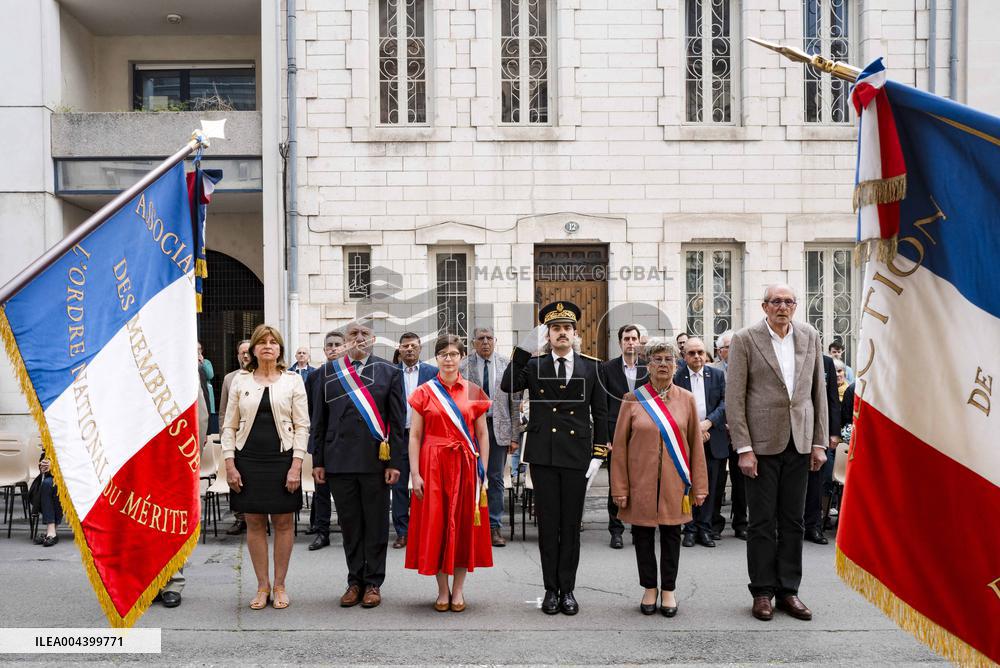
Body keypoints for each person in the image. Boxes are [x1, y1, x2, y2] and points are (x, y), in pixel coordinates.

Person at [726, 284, 828, 622]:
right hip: (761, 445)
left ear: (795, 306)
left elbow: (818, 392)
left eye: (788, 302)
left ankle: (789, 590)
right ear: (764, 306)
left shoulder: (809, 335)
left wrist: (819, 442)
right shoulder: (745, 338)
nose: (782, 307)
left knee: (794, 521)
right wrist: (744, 448)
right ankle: (762, 592)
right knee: (761, 522)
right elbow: (735, 397)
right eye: (776, 302)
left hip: (800, 441)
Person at [501, 301, 609, 616]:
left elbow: (600, 413)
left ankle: (569, 590)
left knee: (570, 527)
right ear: (547, 334)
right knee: (548, 527)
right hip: (544, 455)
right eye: (556, 329)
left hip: (576, 457)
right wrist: (522, 348)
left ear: (576, 333)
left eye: (567, 328)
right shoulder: (534, 365)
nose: (562, 333)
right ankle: (551, 590)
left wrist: (598, 453)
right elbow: (508, 385)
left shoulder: (592, 366)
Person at [309, 319, 405, 609]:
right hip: (338, 460)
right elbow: (319, 420)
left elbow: (397, 422)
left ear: (373, 340)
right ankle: (355, 581)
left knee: (375, 524)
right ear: (345, 339)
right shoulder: (326, 373)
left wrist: (395, 463)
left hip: (376, 460)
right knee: (349, 524)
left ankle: (373, 582)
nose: (359, 338)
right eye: (354, 334)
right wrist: (318, 461)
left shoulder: (389, 372)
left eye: (365, 334)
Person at [611, 339, 708, 616]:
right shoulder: (632, 400)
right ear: (648, 365)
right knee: (641, 536)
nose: (663, 364)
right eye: (657, 360)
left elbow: (695, 446)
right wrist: (619, 487)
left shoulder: (686, 400)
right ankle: (648, 588)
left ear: (676, 365)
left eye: (668, 359)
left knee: (671, 536)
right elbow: (619, 448)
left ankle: (668, 590)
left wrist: (699, 486)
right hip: (640, 483)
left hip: (674, 483)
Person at [222, 325, 310, 610]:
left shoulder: (293, 381)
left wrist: (296, 465)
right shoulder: (240, 381)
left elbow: (302, 426)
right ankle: (262, 586)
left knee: (283, 522)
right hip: (247, 459)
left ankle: (280, 585)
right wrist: (229, 464)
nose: (268, 346)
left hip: (282, 459)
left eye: (273, 342)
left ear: (280, 349)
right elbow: (229, 425)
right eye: (262, 342)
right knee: (255, 521)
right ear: (253, 350)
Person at [406, 335, 493, 611]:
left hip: (465, 466)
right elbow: (415, 436)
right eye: (443, 354)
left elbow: (482, 435)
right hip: (432, 466)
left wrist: (484, 473)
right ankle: (441, 590)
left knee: (461, 525)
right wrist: (415, 473)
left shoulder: (474, 392)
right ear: (437, 358)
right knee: (438, 527)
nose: (448, 358)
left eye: (454, 354)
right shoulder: (424, 392)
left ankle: (458, 590)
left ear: (461, 357)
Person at [460, 326, 521, 548]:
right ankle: (469, 526)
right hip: (469, 428)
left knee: (495, 478)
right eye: (480, 338)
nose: (485, 342)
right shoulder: (463, 366)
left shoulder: (507, 366)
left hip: (498, 428)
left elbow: (515, 403)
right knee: (468, 477)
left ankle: (494, 527)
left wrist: (514, 435)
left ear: (495, 340)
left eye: (489, 338)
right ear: (473, 342)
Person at [673, 337, 728, 549]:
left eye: (700, 352)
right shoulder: (677, 377)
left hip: (713, 437)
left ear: (706, 354)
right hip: (686, 439)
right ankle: (689, 528)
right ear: (684, 356)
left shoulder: (717, 375)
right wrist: (695, 428)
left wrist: (708, 423)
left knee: (711, 486)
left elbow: (724, 403)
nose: (697, 356)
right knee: (688, 484)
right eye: (692, 353)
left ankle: (705, 529)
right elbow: (674, 406)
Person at [599, 324, 649, 549]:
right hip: (615, 434)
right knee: (616, 483)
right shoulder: (607, 369)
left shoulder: (648, 369)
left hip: (642, 434)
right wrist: (605, 438)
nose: (630, 342)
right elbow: (601, 406)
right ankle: (616, 530)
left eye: (633, 338)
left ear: (639, 342)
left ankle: (640, 526)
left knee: (641, 482)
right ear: (620, 343)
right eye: (626, 338)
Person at [392, 332, 437, 549]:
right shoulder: (391, 373)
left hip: (425, 437)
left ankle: (425, 530)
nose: (409, 349)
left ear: (420, 348)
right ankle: (402, 531)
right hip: (399, 437)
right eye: (405, 346)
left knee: (425, 485)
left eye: (413, 345)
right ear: (399, 349)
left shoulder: (432, 373)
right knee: (399, 485)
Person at [305, 330, 346, 550]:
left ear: (345, 347)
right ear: (324, 350)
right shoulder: (314, 377)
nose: (333, 348)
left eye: (337, 344)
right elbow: (310, 412)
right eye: (329, 345)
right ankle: (322, 531)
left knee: (346, 491)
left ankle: (348, 529)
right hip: (322, 442)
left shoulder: (353, 375)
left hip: (347, 444)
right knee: (321, 490)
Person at [710, 329, 746, 540]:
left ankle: (741, 523)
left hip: (743, 433)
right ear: (719, 351)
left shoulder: (749, 368)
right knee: (717, 481)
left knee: (742, 481)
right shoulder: (712, 371)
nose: (732, 351)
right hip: (719, 432)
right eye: (728, 348)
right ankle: (715, 523)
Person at [803, 354, 842, 545]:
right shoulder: (792, 355)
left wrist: (833, 433)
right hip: (794, 429)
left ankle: (814, 526)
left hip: (819, 430)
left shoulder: (826, 362)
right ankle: (790, 525)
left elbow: (832, 399)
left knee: (816, 481)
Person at [219, 339, 252, 535]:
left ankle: (258, 517)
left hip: (255, 438)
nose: (245, 355)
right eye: (242, 353)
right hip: (235, 437)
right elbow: (223, 411)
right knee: (235, 479)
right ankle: (240, 518)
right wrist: (225, 435)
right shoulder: (229, 379)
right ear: (238, 355)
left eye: (248, 352)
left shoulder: (262, 376)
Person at [31, 454, 62, 547]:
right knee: (48, 483)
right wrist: (43, 466)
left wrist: (54, 466)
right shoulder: (52, 440)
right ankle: (51, 530)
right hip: (53, 478)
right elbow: (44, 455)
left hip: (74, 480)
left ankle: (51, 532)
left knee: (54, 484)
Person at [198, 341, 217, 433]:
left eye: (199, 349)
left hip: (205, 395)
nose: (197, 351)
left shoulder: (206, 362)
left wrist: (202, 362)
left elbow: (210, 375)